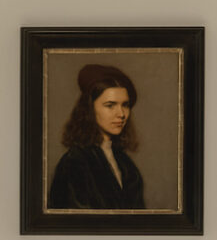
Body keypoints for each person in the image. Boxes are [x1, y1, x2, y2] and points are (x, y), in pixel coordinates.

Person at [48, 64, 145, 209]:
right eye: (110, 105)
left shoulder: (125, 163)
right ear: (89, 109)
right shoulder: (74, 163)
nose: (121, 114)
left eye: (125, 105)